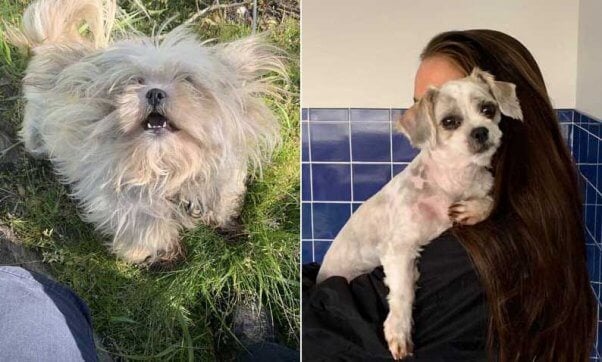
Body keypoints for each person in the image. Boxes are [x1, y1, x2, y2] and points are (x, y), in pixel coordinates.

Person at [303, 29, 596, 361]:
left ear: (509, 112)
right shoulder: (537, 219)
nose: (474, 128)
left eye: (485, 110)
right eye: (449, 120)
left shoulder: (470, 255)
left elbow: (331, 341)